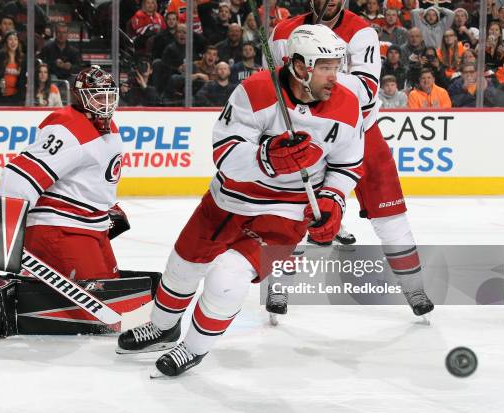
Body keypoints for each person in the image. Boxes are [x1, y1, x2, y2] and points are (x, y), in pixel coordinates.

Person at [117, 25, 364, 377]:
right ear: (299, 66)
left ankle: (192, 348)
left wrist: (333, 201)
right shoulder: (255, 91)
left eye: (337, 67)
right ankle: (162, 327)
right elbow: (224, 152)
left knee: (226, 279)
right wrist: (266, 157)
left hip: (286, 216)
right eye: (325, 67)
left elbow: (347, 165)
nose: (333, 77)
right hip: (226, 201)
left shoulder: (347, 104)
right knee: (182, 266)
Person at [268, 0, 434, 317]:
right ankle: (278, 287)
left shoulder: (361, 32)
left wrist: (310, 71)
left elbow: (366, 90)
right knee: (292, 214)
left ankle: (415, 289)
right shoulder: (283, 32)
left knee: (391, 217)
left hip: (361, 131)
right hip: (310, 133)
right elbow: (277, 85)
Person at [0, 66, 157, 337]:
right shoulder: (68, 130)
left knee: (117, 298)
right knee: (105, 314)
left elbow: (91, 176)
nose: (105, 102)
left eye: (109, 95)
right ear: (79, 96)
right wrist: (2, 244)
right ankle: (5, 307)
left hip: (87, 227)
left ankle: (30, 286)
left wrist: (105, 208)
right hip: (59, 229)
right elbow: (17, 178)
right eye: (97, 96)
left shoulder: (104, 123)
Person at [0, 31, 26, 105]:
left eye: (15, 39)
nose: (13, 42)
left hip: (16, 98)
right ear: (6, 42)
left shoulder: (22, 58)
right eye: (10, 39)